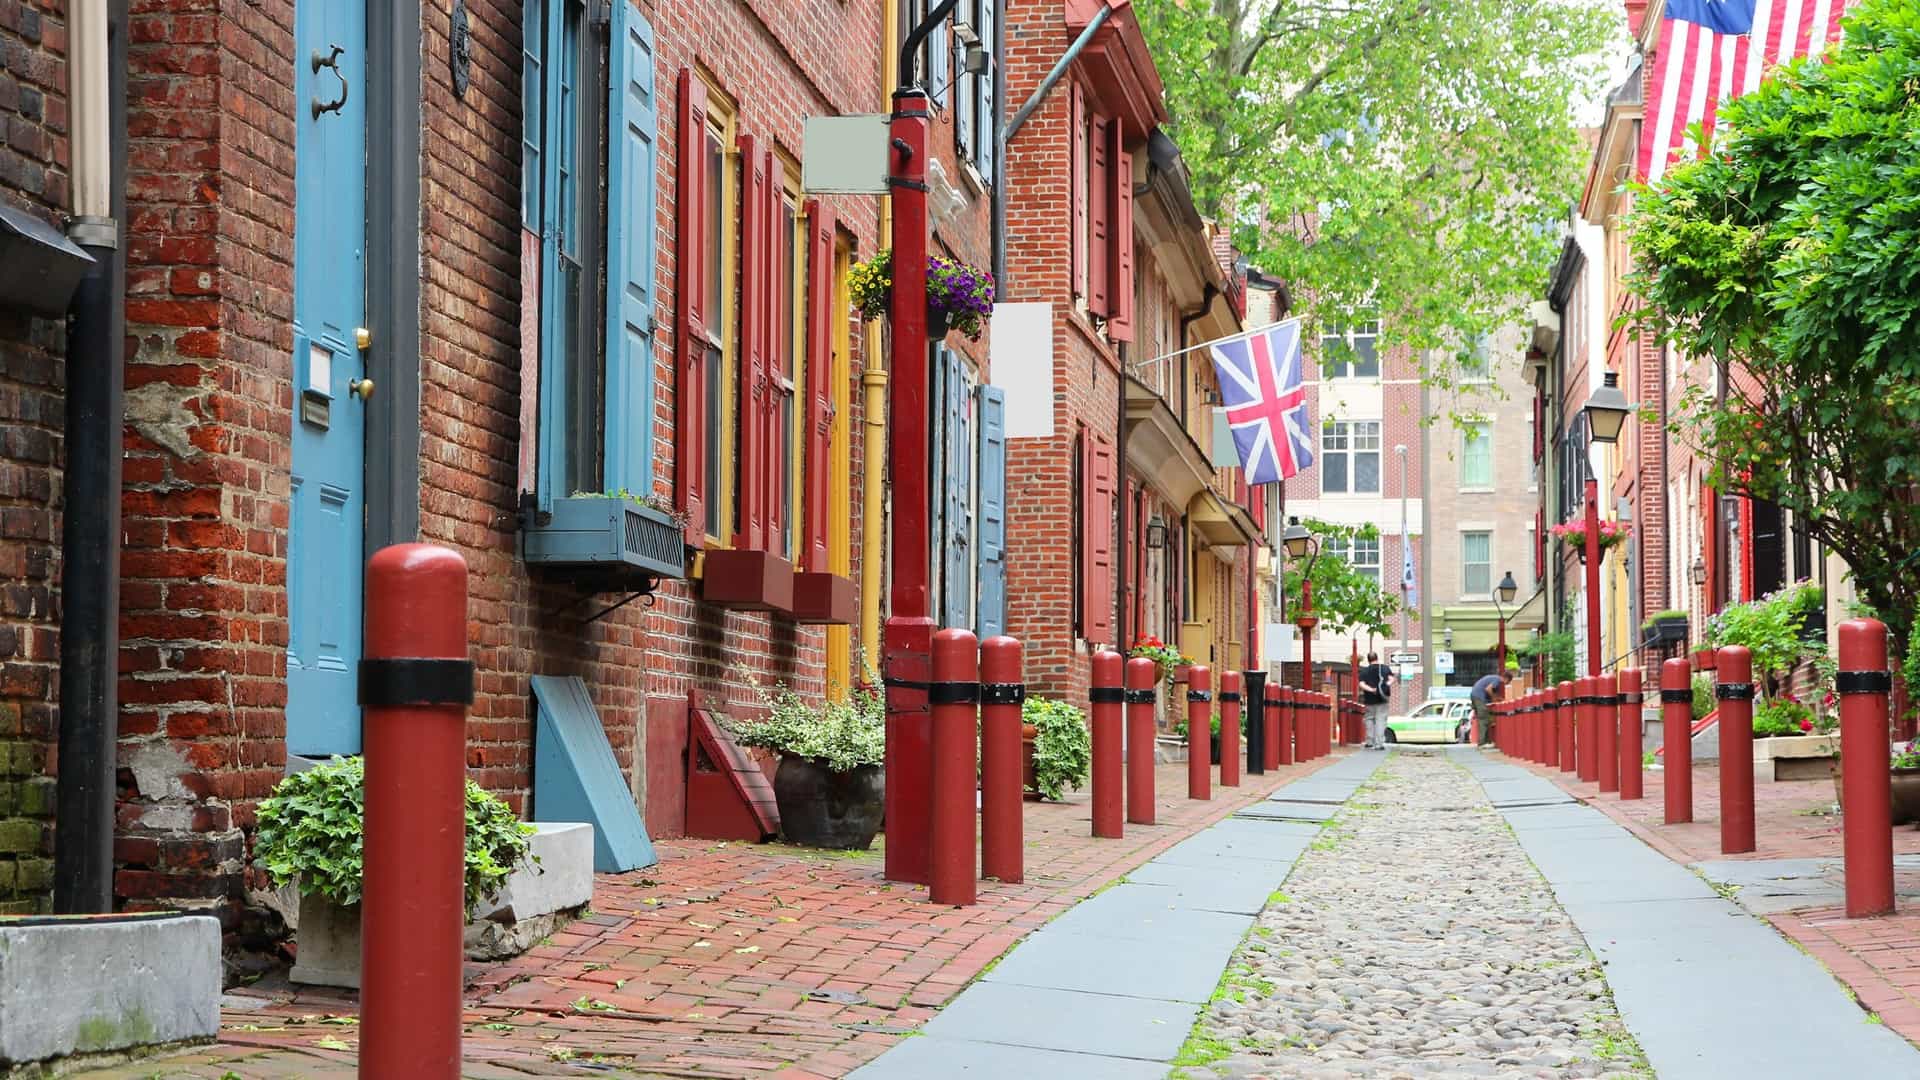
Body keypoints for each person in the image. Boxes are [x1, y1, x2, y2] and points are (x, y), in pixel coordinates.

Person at [1358, 652, 1394, 749]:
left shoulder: (1365, 671)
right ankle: (1379, 744)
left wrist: (1371, 690)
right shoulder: (1385, 668)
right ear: (1377, 658)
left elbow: (1361, 684)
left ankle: (1370, 741)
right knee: (1380, 720)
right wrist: (1384, 686)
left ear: (1368, 660)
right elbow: (1391, 679)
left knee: (1369, 719)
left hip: (1370, 699)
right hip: (1383, 698)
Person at [1470, 670, 1511, 746]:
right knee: (1484, 718)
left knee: (1484, 718)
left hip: (1475, 695)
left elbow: (1492, 692)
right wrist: (1494, 698)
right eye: (1508, 682)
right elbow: (1488, 689)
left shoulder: (1494, 678)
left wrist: (1498, 698)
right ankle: (1482, 742)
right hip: (1479, 696)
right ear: (1506, 679)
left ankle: (1486, 741)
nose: (1506, 684)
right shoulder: (1497, 680)